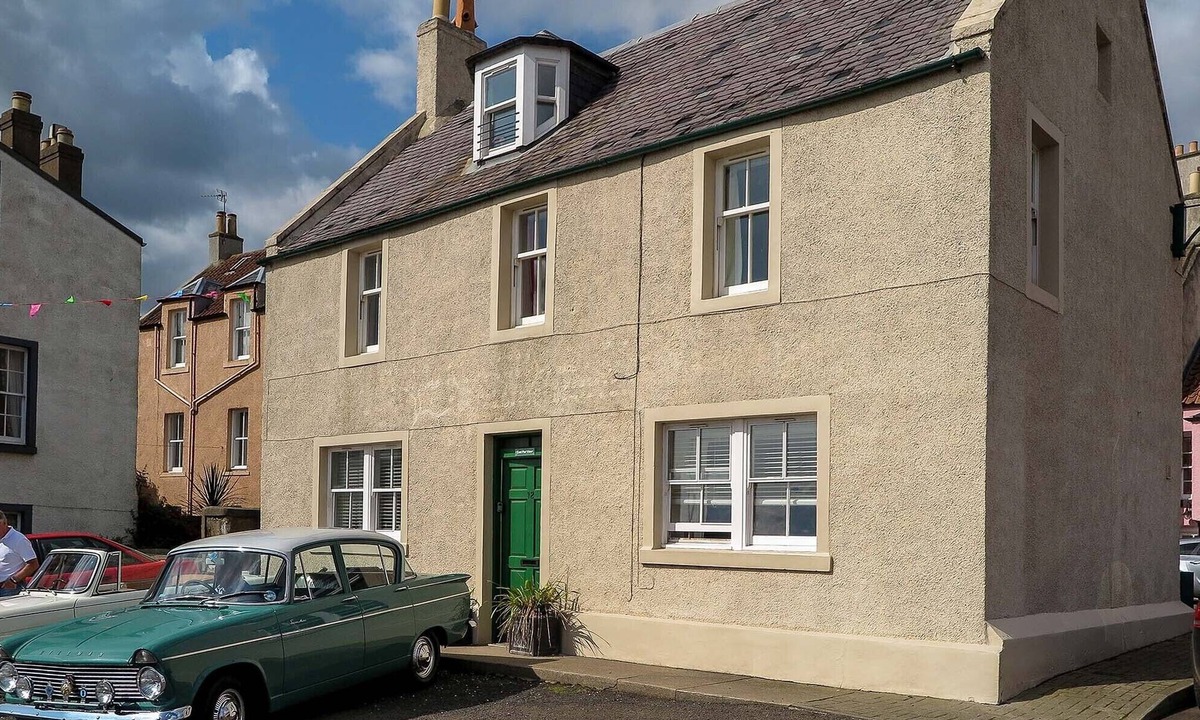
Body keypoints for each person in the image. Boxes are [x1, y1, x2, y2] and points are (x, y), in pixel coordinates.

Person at [0, 512, 38, 597]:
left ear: (4, 523)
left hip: (9, 589)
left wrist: (14, 580)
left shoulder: (19, 539)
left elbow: (33, 564)